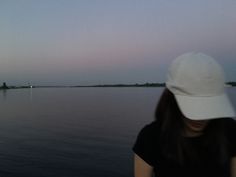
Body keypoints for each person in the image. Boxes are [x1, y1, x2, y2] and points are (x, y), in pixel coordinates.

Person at [133, 52, 236, 177]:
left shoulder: (230, 130)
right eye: (196, 106)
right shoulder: (150, 138)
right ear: (172, 98)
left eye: (209, 106)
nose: (203, 117)